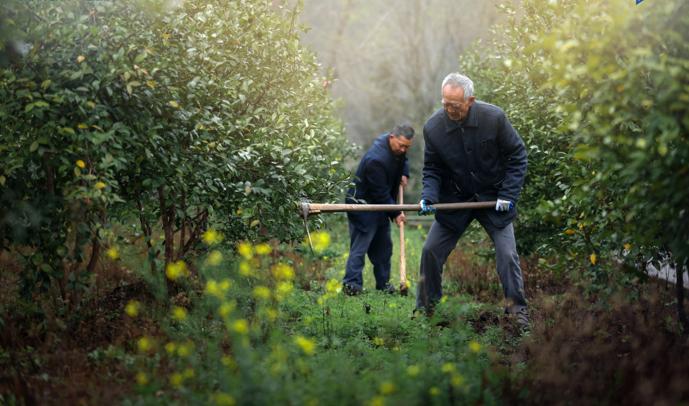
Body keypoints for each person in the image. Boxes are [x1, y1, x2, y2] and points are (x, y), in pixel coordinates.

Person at [417, 72, 529, 328]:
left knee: (507, 254)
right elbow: (432, 168)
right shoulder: (433, 128)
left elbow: (517, 155)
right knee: (430, 251)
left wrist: (508, 194)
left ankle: (518, 312)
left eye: (454, 105)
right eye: (445, 103)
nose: (449, 109)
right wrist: (429, 196)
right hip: (456, 200)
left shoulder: (494, 118)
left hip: (493, 199)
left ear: (470, 100)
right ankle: (428, 311)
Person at [343, 124, 414, 295]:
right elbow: (380, 192)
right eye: (401, 145)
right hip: (362, 205)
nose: (403, 149)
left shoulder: (396, 147)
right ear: (391, 137)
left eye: (407, 146)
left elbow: (402, 159)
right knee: (361, 246)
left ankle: (384, 285)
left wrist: (404, 172)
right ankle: (351, 286)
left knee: (384, 248)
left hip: (381, 205)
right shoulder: (376, 159)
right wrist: (396, 213)